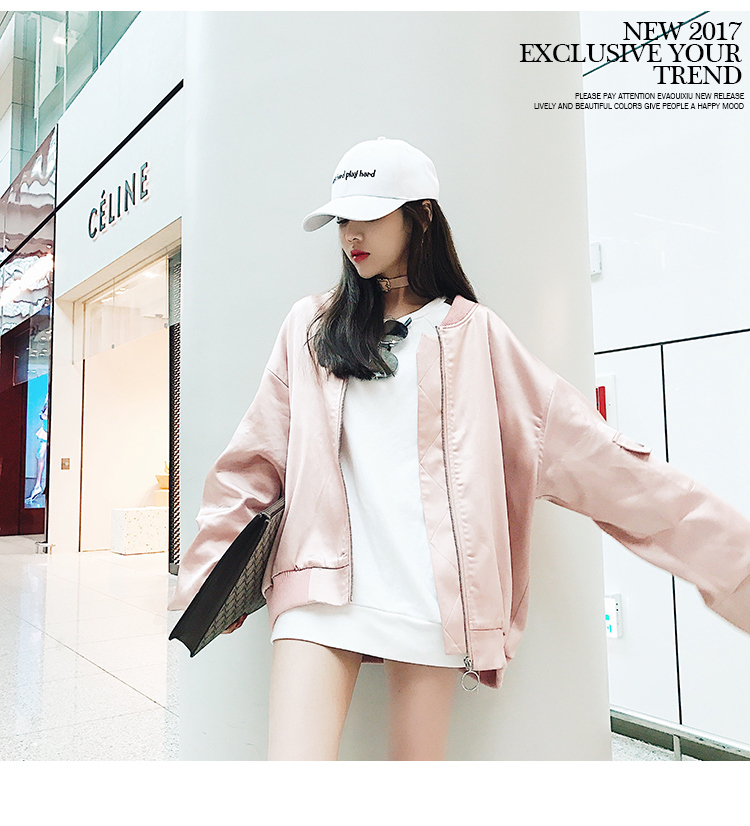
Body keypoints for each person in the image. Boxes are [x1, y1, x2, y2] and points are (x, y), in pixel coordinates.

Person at [169, 137, 750, 761]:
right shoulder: (311, 326)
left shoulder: (476, 336)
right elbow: (252, 462)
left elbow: (599, 460)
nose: (350, 234)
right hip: (316, 587)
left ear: (420, 216)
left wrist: (732, 558)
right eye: (340, 219)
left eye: (369, 215)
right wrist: (206, 578)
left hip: (429, 602)